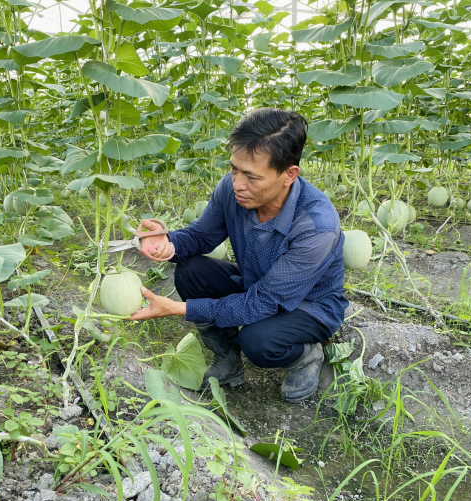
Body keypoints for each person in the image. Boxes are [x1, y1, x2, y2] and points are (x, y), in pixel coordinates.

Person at [127, 108, 348, 403]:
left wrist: (179, 308)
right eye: (234, 169)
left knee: (257, 340)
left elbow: (263, 302)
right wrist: (168, 243)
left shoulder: (316, 225)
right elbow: (201, 236)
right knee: (190, 270)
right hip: (257, 283)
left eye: (252, 176)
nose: (237, 184)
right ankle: (227, 361)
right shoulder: (232, 191)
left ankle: (306, 356)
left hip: (310, 306)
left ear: (288, 175)